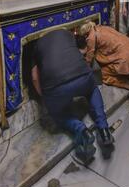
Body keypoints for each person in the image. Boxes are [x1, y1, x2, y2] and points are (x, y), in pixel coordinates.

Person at [30, 29, 115, 163]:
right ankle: (104, 130)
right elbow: (80, 52)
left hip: (56, 87)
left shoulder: (36, 47)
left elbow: (35, 78)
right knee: (92, 89)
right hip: (82, 76)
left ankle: (82, 131)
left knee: (57, 114)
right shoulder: (66, 33)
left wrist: (46, 97)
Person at [76, 22, 129, 91]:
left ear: (84, 34)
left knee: (104, 75)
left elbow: (89, 60)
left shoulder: (91, 38)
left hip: (126, 59)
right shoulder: (102, 27)